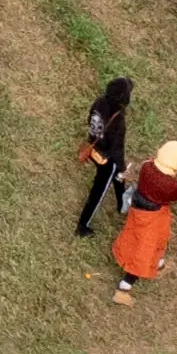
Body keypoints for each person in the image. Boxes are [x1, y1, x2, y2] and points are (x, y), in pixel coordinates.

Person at [110, 140, 177, 305]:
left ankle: (158, 262)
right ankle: (124, 287)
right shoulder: (170, 185)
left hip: (138, 211)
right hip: (153, 217)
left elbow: (166, 167)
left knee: (138, 238)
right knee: (145, 250)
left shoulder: (147, 167)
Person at [75, 76, 134, 237]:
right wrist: (121, 167)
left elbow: (90, 119)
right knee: (98, 192)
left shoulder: (99, 102)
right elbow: (117, 149)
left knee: (118, 178)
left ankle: (122, 203)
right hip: (107, 160)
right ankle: (83, 225)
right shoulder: (118, 120)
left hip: (94, 147)